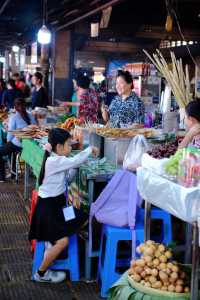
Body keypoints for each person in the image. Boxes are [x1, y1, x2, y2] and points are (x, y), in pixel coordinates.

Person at [29, 128, 98, 283]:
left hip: (58, 207)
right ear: (59, 147)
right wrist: (89, 150)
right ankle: (41, 274)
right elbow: (75, 160)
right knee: (63, 241)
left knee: (83, 217)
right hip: (49, 211)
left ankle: (57, 243)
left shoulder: (56, 159)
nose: (71, 147)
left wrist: (74, 167)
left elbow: (67, 179)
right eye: (68, 145)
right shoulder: (54, 161)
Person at [0, 98, 36, 182]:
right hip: (30, 144)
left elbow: (9, 138)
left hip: (19, 145)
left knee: (3, 149)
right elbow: (35, 128)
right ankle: (13, 172)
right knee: (8, 147)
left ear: (15, 108)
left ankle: (1, 177)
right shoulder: (31, 115)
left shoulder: (14, 117)